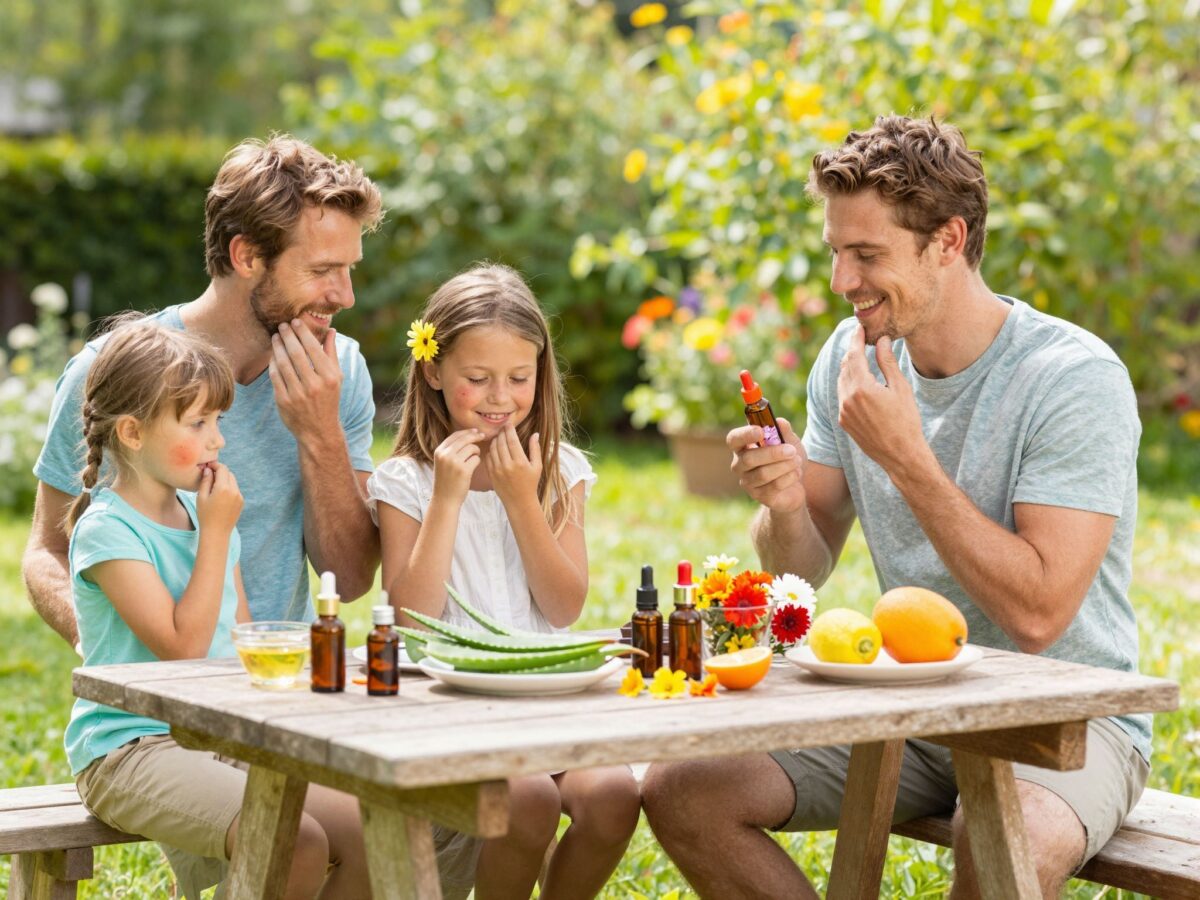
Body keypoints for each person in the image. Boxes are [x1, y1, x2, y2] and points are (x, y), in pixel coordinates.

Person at [641, 115, 1149, 899]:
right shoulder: (846, 361)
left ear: (948, 241)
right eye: (836, 252)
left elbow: (1040, 614)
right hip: (910, 702)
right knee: (686, 790)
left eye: (867, 254)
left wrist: (907, 458)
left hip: (1067, 722)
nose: (842, 280)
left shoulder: (1072, 378)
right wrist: (785, 506)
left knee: (996, 837)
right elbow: (801, 569)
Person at [24, 134, 384, 649]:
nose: (345, 296)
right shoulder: (114, 371)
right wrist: (119, 652)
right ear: (247, 256)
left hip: (278, 676)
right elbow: (49, 550)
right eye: (322, 270)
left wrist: (320, 431)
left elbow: (347, 582)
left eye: (350, 269)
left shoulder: (339, 369)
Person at [64, 319, 368, 900]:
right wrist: (218, 534)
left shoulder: (202, 511)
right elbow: (186, 650)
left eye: (218, 421)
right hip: (132, 748)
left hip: (220, 735)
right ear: (132, 432)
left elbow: (242, 641)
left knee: (369, 830)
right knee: (292, 840)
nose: (217, 441)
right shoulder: (108, 531)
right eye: (198, 423)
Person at [367, 263, 641, 900]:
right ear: (434, 372)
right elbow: (410, 619)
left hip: (544, 698)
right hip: (448, 704)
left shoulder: (560, 470)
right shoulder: (406, 481)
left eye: (519, 378)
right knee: (529, 800)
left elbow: (564, 607)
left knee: (613, 796)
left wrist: (522, 500)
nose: (500, 397)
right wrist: (447, 499)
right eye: (477, 378)